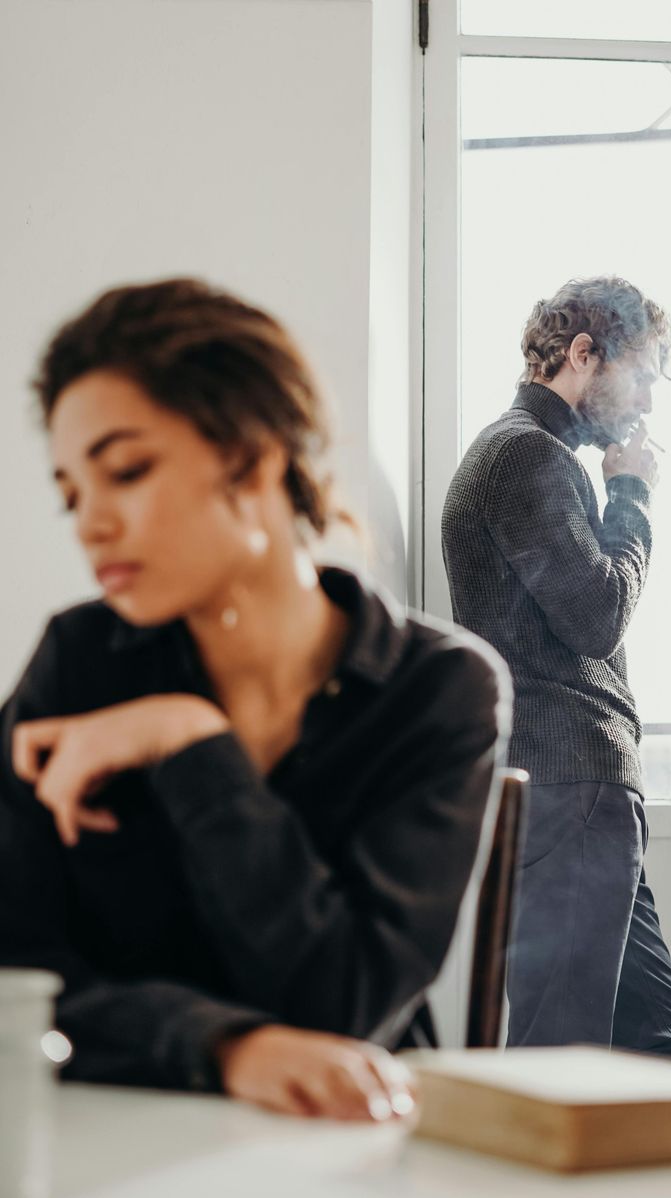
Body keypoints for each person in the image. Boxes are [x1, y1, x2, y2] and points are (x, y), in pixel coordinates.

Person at [0, 278, 510, 1120]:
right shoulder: (78, 660)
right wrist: (221, 1044)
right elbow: (13, 978)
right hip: (109, 1138)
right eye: (70, 495)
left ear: (255, 457)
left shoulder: (441, 689)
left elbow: (343, 1006)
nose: (89, 522)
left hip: (343, 1149)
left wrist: (191, 743)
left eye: (124, 470)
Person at [442, 276, 671, 1061]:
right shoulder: (527, 454)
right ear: (584, 354)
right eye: (645, 375)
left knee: (663, 1046)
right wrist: (630, 496)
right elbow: (595, 616)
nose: (648, 404)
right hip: (569, 786)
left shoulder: (529, 454)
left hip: (575, 790)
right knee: (562, 1056)